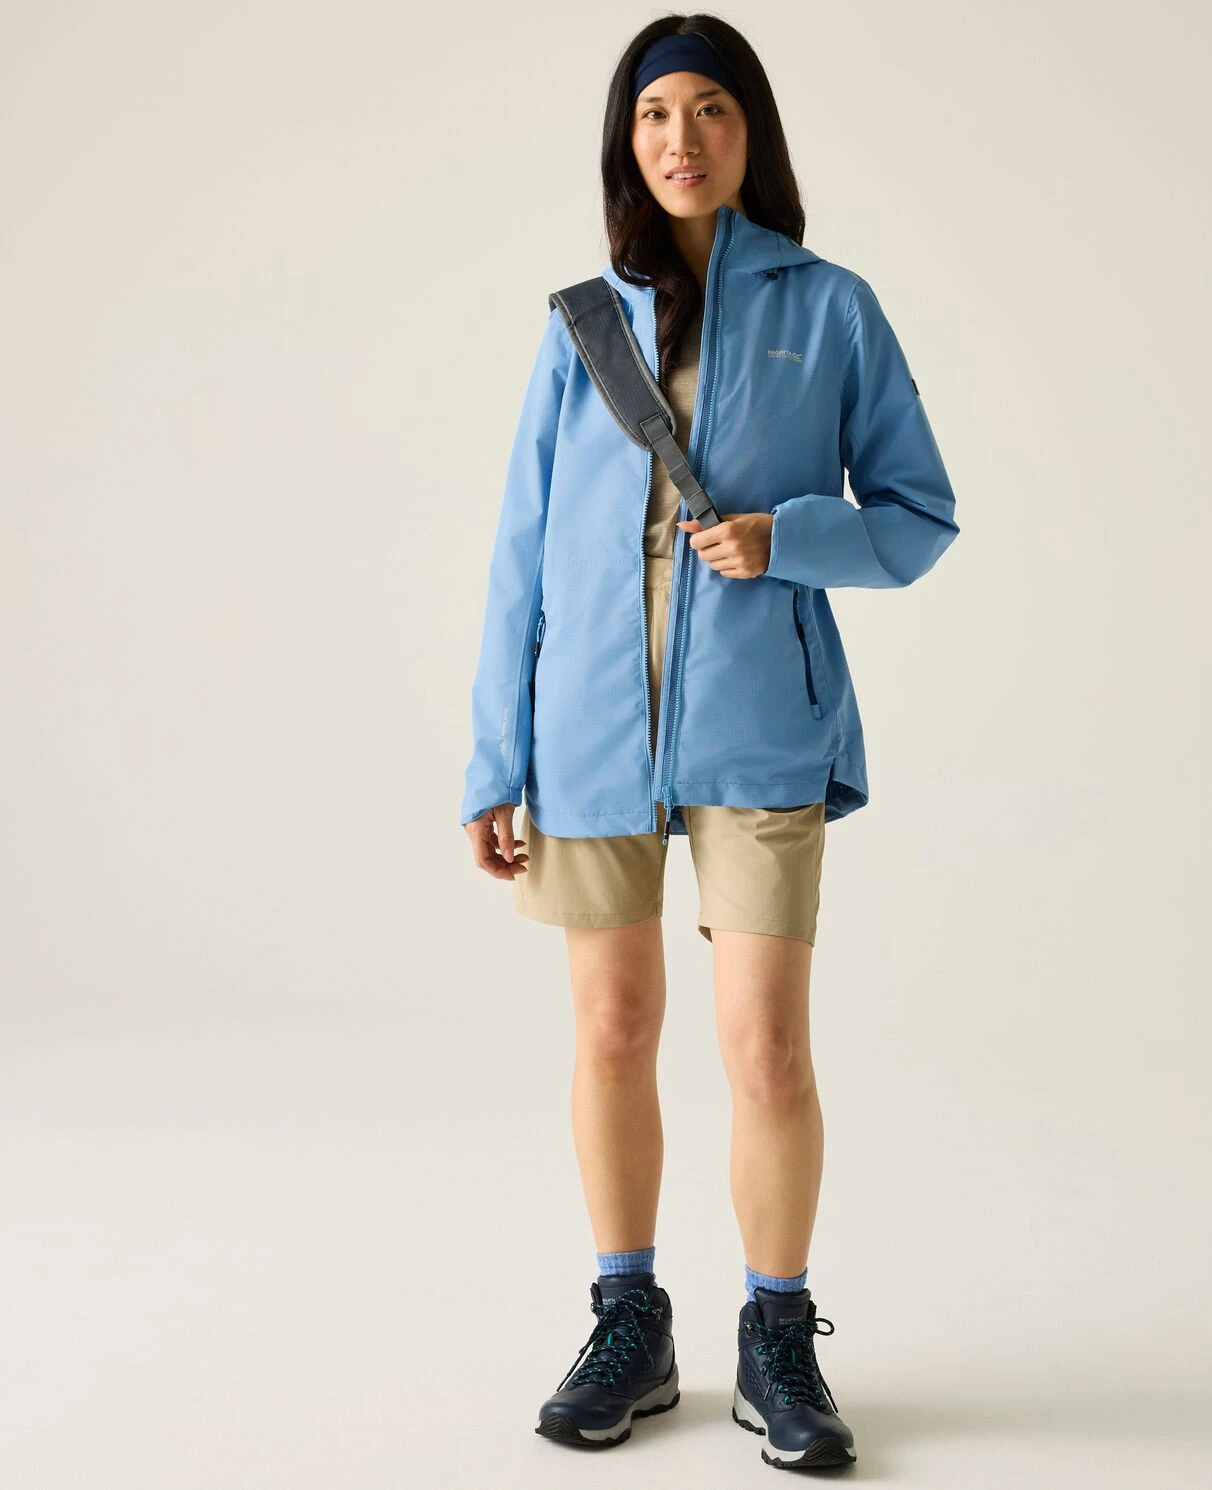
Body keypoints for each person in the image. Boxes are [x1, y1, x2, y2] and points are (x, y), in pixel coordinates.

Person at [459, 14, 958, 1469]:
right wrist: (496, 755)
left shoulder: (832, 307)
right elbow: (518, 550)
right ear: (628, 142)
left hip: (760, 725)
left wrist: (786, 538)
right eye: (656, 113)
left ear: (753, 133)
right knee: (612, 1029)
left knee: (768, 1049)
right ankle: (629, 1319)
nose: (682, 137)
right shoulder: (583, 326)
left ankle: (776, 1334)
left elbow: (919, 514)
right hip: (587, 732)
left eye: (712, 109)